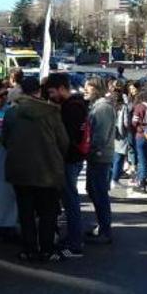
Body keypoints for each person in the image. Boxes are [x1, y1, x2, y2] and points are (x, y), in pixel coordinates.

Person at [3, 77, 68, 262]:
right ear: (39, 91)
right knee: (48, 212)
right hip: (48, 169)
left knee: (26, 212)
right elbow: (63, 142)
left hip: (20, 170)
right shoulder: (52, 112)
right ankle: (47, 249)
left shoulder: (11, 113)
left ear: (22, 91)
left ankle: (29, 248)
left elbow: (5, 140)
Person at [44, 73, 87, 258]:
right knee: (70, 201)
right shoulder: (76, 105)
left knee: (70, 201)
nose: (51, 96)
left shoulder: (70, 109)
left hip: (69, 160)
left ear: (62, 88)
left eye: (52, 92)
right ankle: (73, 237)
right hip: (73, 159)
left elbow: (66, 139)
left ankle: (75, 243)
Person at [84, 77, 116, 244]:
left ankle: (105, 230)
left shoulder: (102, 108)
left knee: (99, 192)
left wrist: (90, 149)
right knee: (93, 190)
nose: (84, 91)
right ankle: (102, 225)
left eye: (87, 88)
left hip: (100, 156)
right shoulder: (98, 106)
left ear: (96, 89)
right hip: (97, 155)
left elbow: (100, 135)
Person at [131, 84, 147, 193]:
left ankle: (142, 183)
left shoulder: (139, 107)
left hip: (141, 135)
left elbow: (134, 122)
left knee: (142, 161)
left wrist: (137, 128)